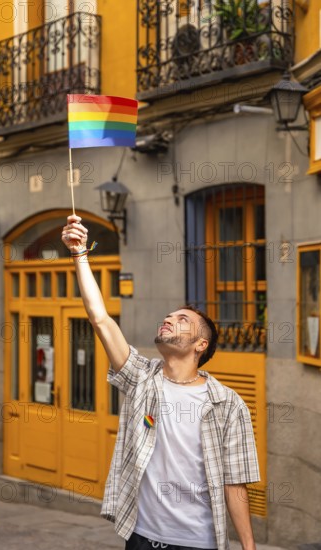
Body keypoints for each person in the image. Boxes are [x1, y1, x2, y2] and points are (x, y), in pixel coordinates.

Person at [62, 215, 261, 550]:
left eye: (182, 320)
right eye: (168, 316)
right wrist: (80, 253)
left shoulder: (227, 404)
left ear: (201, 345)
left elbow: (235, 484)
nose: (169, 320)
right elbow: (100, 318)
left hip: (197, 543)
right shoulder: (143, 378)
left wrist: (248, 546)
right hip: (140, 537)